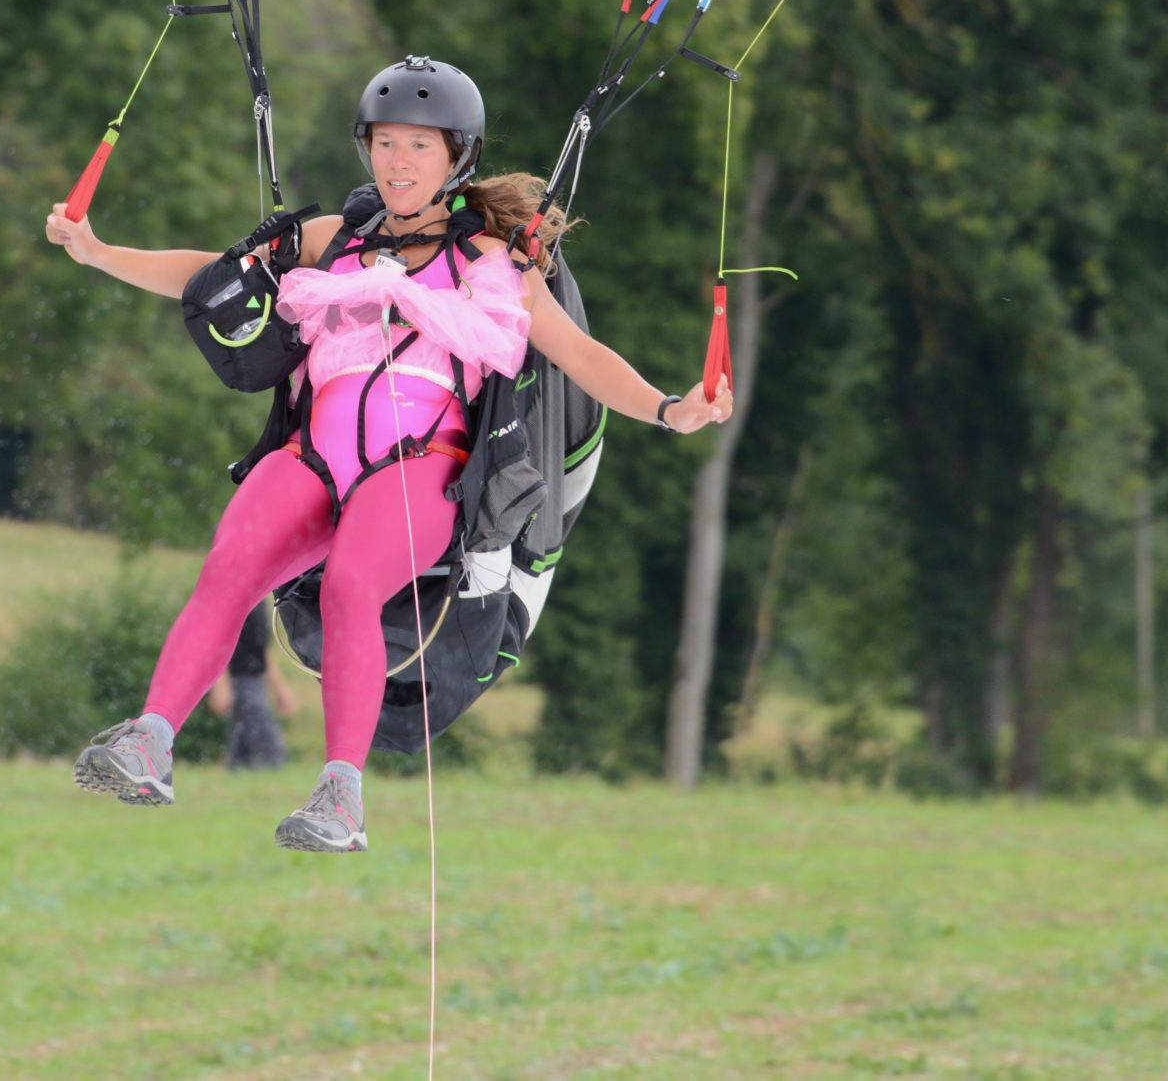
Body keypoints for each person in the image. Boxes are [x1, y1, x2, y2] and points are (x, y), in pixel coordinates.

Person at [44, 56, 732, 851]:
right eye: (385, 143)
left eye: (419, 145)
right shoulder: (334, 240)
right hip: (314, 454)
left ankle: (341, 793)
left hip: (419, 464)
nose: (398, 161)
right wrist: (100, 252)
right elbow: (212, 276)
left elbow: (580, 355)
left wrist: (671, 409)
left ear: (456, 157)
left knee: (350, 584)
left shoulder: (493, 261)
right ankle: (152, 740)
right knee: (229, 564)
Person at [205, 600, 296, 770]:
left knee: (241, 753)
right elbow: (217, 642)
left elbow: (262, 649)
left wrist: (280, 688)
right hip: (238, 681)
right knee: (269, 748)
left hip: (255, 681)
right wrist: (220, 684)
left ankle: (233, 776)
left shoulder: (259, 602)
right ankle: (269, 781)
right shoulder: (231, 600)